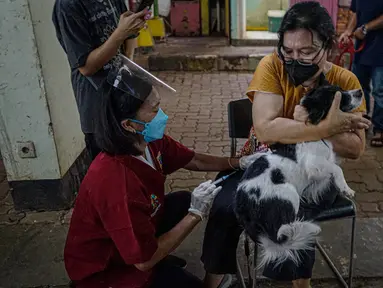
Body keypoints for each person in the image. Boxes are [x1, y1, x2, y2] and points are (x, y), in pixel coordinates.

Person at [201, 2, 371, 288]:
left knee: (292, 215)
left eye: (306, 52)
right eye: (288, 51)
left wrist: (304, 124)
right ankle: (213, 279)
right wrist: (326, 126)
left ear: (328, 48)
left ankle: (299, 284)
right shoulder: (272, 66)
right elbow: (267, 130)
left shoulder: (345, 80)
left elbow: (355, 148)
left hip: (311, 172)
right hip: (262, 163)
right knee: (223, 204)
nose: (294, 59)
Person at [63, 71, 256, 288]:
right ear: (129, 124)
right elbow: (143, 262)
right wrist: (195, 215)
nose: (163, 115)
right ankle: (157, 262)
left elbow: (194, 160)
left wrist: (236, 162)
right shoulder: (117, 182)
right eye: (155, 110)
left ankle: (160, 258)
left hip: (130, 241)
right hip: (107, 271)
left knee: (183, 200)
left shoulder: (147, 141)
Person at [52, 0, 148, 160]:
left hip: (124, 96)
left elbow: (129, 34)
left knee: (134, 164)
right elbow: (87, 67)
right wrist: (120, 33)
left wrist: (127, 65)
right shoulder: (68, 6)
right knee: (109, 171)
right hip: (98, 105)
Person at [339, 0, 383, 147]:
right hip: (362, 50)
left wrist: (366, 28)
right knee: (357, 87)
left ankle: (380, 128)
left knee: (380, 91)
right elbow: (356, 14)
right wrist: (348, 32)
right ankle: (362, 121)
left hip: (381, 50)